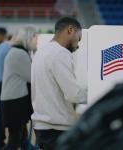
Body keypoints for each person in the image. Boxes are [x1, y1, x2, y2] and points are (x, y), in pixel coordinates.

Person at [31, 17, 87, 150]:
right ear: (70, 30)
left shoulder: (42, 51)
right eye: (79, 38)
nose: (78, 44)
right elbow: (74, 94)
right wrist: (98, 91)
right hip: (56, 129)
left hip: (43, 125)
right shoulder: (60, 53)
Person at [1, 26, 38, 150]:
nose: (36, 40)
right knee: (14, 141)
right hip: (15, 101)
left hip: (14, 100)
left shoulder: (18, 51)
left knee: (21, 138)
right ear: (28, 38)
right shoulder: (19, 54)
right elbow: (32, 77)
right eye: (35, 37)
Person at [0, 36, 16, 150]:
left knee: (0, 114)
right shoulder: (10, 49)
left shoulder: (1, 46)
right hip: (2, 83)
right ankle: (0, 143)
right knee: (2, 115)